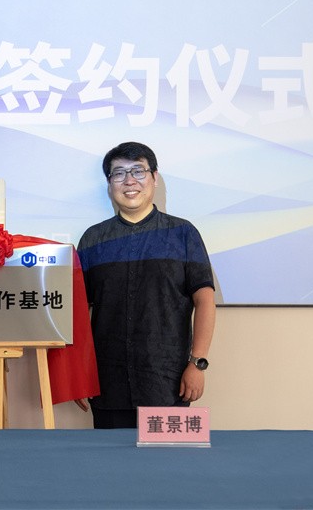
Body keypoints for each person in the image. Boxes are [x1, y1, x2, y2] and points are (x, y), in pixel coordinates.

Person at [76, 141, 215, 429]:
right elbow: (78, 311)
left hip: (168, 382)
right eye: (119, 173)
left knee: (167, 458)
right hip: (107, 383)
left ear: (154, 177)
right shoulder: (93, 239)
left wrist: (197, 363)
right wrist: (77, 373)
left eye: (138, 171)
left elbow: (204, 301)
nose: (129, 181)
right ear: (109, 184)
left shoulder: (182, 233)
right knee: (110, 458)